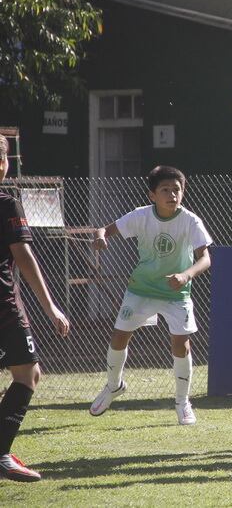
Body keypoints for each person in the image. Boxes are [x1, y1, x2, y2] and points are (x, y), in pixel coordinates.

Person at [89, 166, 212, 426]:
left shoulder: (191, 220)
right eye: (165, 190)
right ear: (152, 195)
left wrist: (185, 276)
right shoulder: (141, 216)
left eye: (176, 189)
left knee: (181, 343)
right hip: (141, 289)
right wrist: (100, 238)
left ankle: (182, 402)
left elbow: (205, 258)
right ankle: (114, 385)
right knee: (119, 335)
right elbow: (104, 230)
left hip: (176, 292)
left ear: (183, 192)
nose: (172, 194)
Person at [0, 135, 71, 482]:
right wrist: (51, 307)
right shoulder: (6, 203)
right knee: (28, 374)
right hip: (3, 307)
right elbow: (24, 257)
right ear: (4, 164)